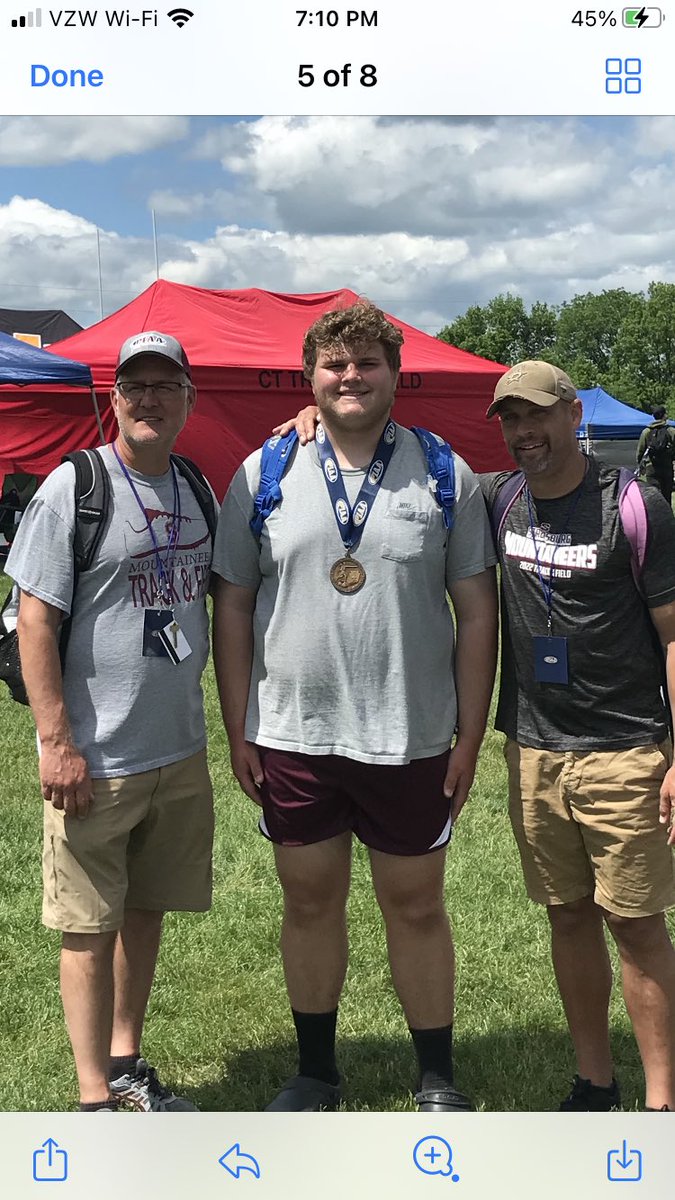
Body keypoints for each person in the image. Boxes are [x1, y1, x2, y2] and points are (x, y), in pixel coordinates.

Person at [211, 301, 498, 1112]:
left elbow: (476, 611)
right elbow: (232, 604)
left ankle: (436, 1075)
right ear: (311, 378)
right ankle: (314, 1072)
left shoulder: (445, 474)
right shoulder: (262, 471)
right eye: (334, 365)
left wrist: (468, 736)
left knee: (415, 904)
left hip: (409, 734)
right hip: (295, 733)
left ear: (393, 375)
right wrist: (238, 728)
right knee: (308, 901)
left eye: (366, 362)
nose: (350, 377)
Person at [6, 331, 215, 1112]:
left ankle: (126, 1062)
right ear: (114, 398)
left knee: (144, 909)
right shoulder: (76, 485)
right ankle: (95, 1099)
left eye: (166, 385)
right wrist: (56, 743)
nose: (149, 399)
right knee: (88, 928)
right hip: (97, 757)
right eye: (136, 387)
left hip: (178, 749)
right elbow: (34, 619)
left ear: (189, 399)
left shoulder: (193, 484)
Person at [484, 361, 675, 1112]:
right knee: (566, 915)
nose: (521, 433)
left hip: (625, 749)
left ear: (571, 414)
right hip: (533, 748)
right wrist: (305, 426)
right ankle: (592, 1078)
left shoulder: (636, 504)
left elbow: (671, 636)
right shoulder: (499, 499)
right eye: (508, 419)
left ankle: (661, 1100)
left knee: (634, 922)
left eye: (534, 415)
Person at [636, 405, 675, 505]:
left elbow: (640, 451)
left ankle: (654, 518)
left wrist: (641, 465)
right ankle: (667, 518)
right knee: (667, 496)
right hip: (667, 467)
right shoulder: (671, 431)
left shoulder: (646, 432)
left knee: (653, 497)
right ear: (664, 416)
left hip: (651, 467)